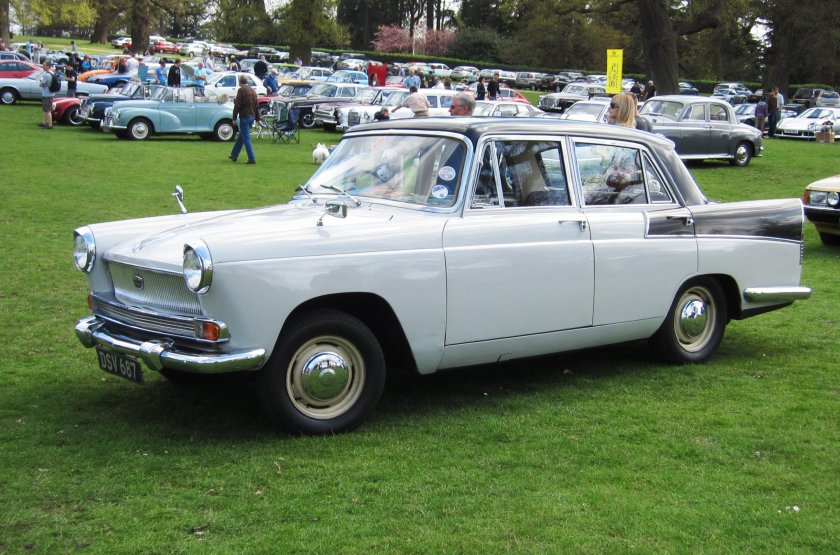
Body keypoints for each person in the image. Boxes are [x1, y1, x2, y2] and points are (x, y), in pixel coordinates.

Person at [230, 75, 260, 164]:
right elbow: (256, 106)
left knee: (246, 138)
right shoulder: (253, 90)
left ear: (240, 82)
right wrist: (258, 118)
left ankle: (252, 158)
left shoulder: (241, 90)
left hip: (245, 116)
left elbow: (238, 105)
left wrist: (234, 118)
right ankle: (234, 154)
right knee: (242, 136)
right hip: (252, 116)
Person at [39, 60, 55, 129]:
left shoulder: (46, 75)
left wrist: (41, 82)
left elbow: (42, 84)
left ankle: (49, 124)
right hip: (50, 94)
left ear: (47, 66)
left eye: (44, 65)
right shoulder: (52, 73)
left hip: (47, 94)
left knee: (48, 110)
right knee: (46, 110)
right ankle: (45, 122)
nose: (43, 66)